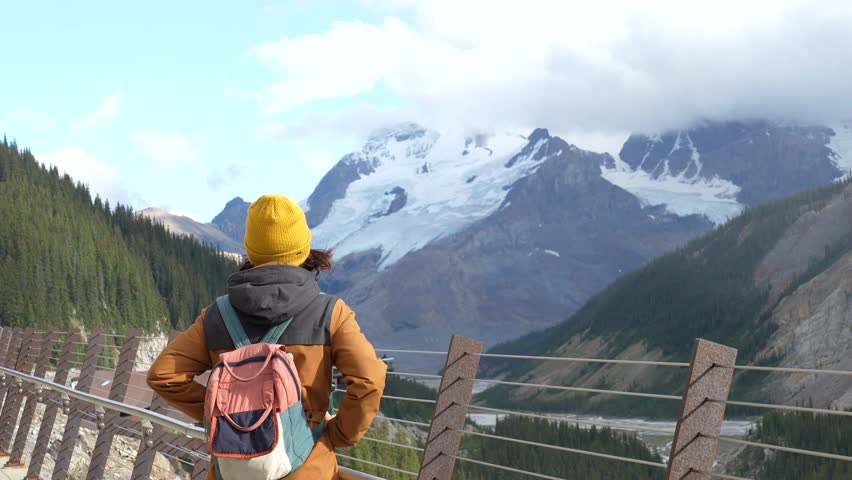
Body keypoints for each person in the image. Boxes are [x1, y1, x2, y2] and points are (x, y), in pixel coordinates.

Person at [147, 194, 387, 479]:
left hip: (234, 467)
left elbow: (163, 375)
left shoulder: (216, 314)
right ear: (303, 247)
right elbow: (369, 379)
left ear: (251, 249)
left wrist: (228, 418)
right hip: (309, 465)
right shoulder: (331, 312)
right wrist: (340, 434)